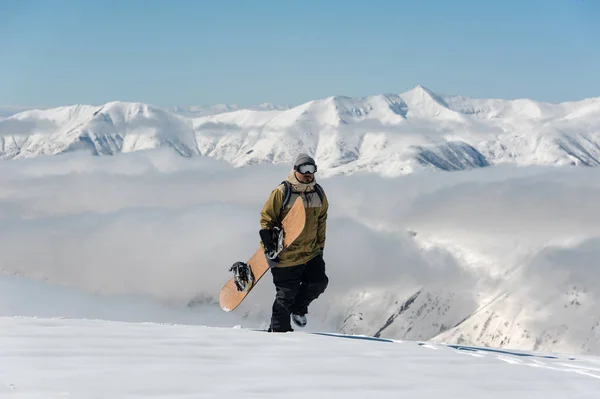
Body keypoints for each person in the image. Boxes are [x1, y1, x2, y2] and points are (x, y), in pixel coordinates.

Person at [259, 153, 329, 332]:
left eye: (311, 169)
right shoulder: (282, 192)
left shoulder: (318, 193)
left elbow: (321, 221)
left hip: (311, 253)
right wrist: (268, 242)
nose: (308, 173)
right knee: (285, 296)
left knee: (319, 283)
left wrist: (320, 247)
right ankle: (279, 332)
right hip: (286, 255)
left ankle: (299, 309)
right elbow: (267, 219)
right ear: (295, 170)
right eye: (304, 169)